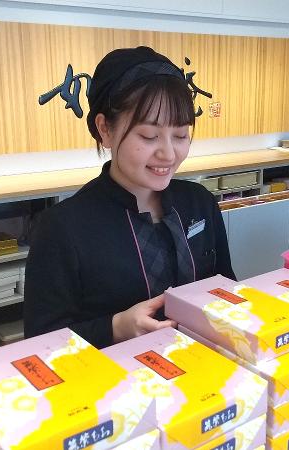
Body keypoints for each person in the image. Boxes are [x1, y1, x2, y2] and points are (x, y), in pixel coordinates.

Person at [23, 46, 235, 348]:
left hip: (205, 367)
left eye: (180, 135)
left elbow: (226, 287)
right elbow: (39, 343)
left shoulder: (199, 202)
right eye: (149, 136)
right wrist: (115, 328)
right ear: (105, 130)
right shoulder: (62, 228)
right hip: (114, 375)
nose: (168, 154)